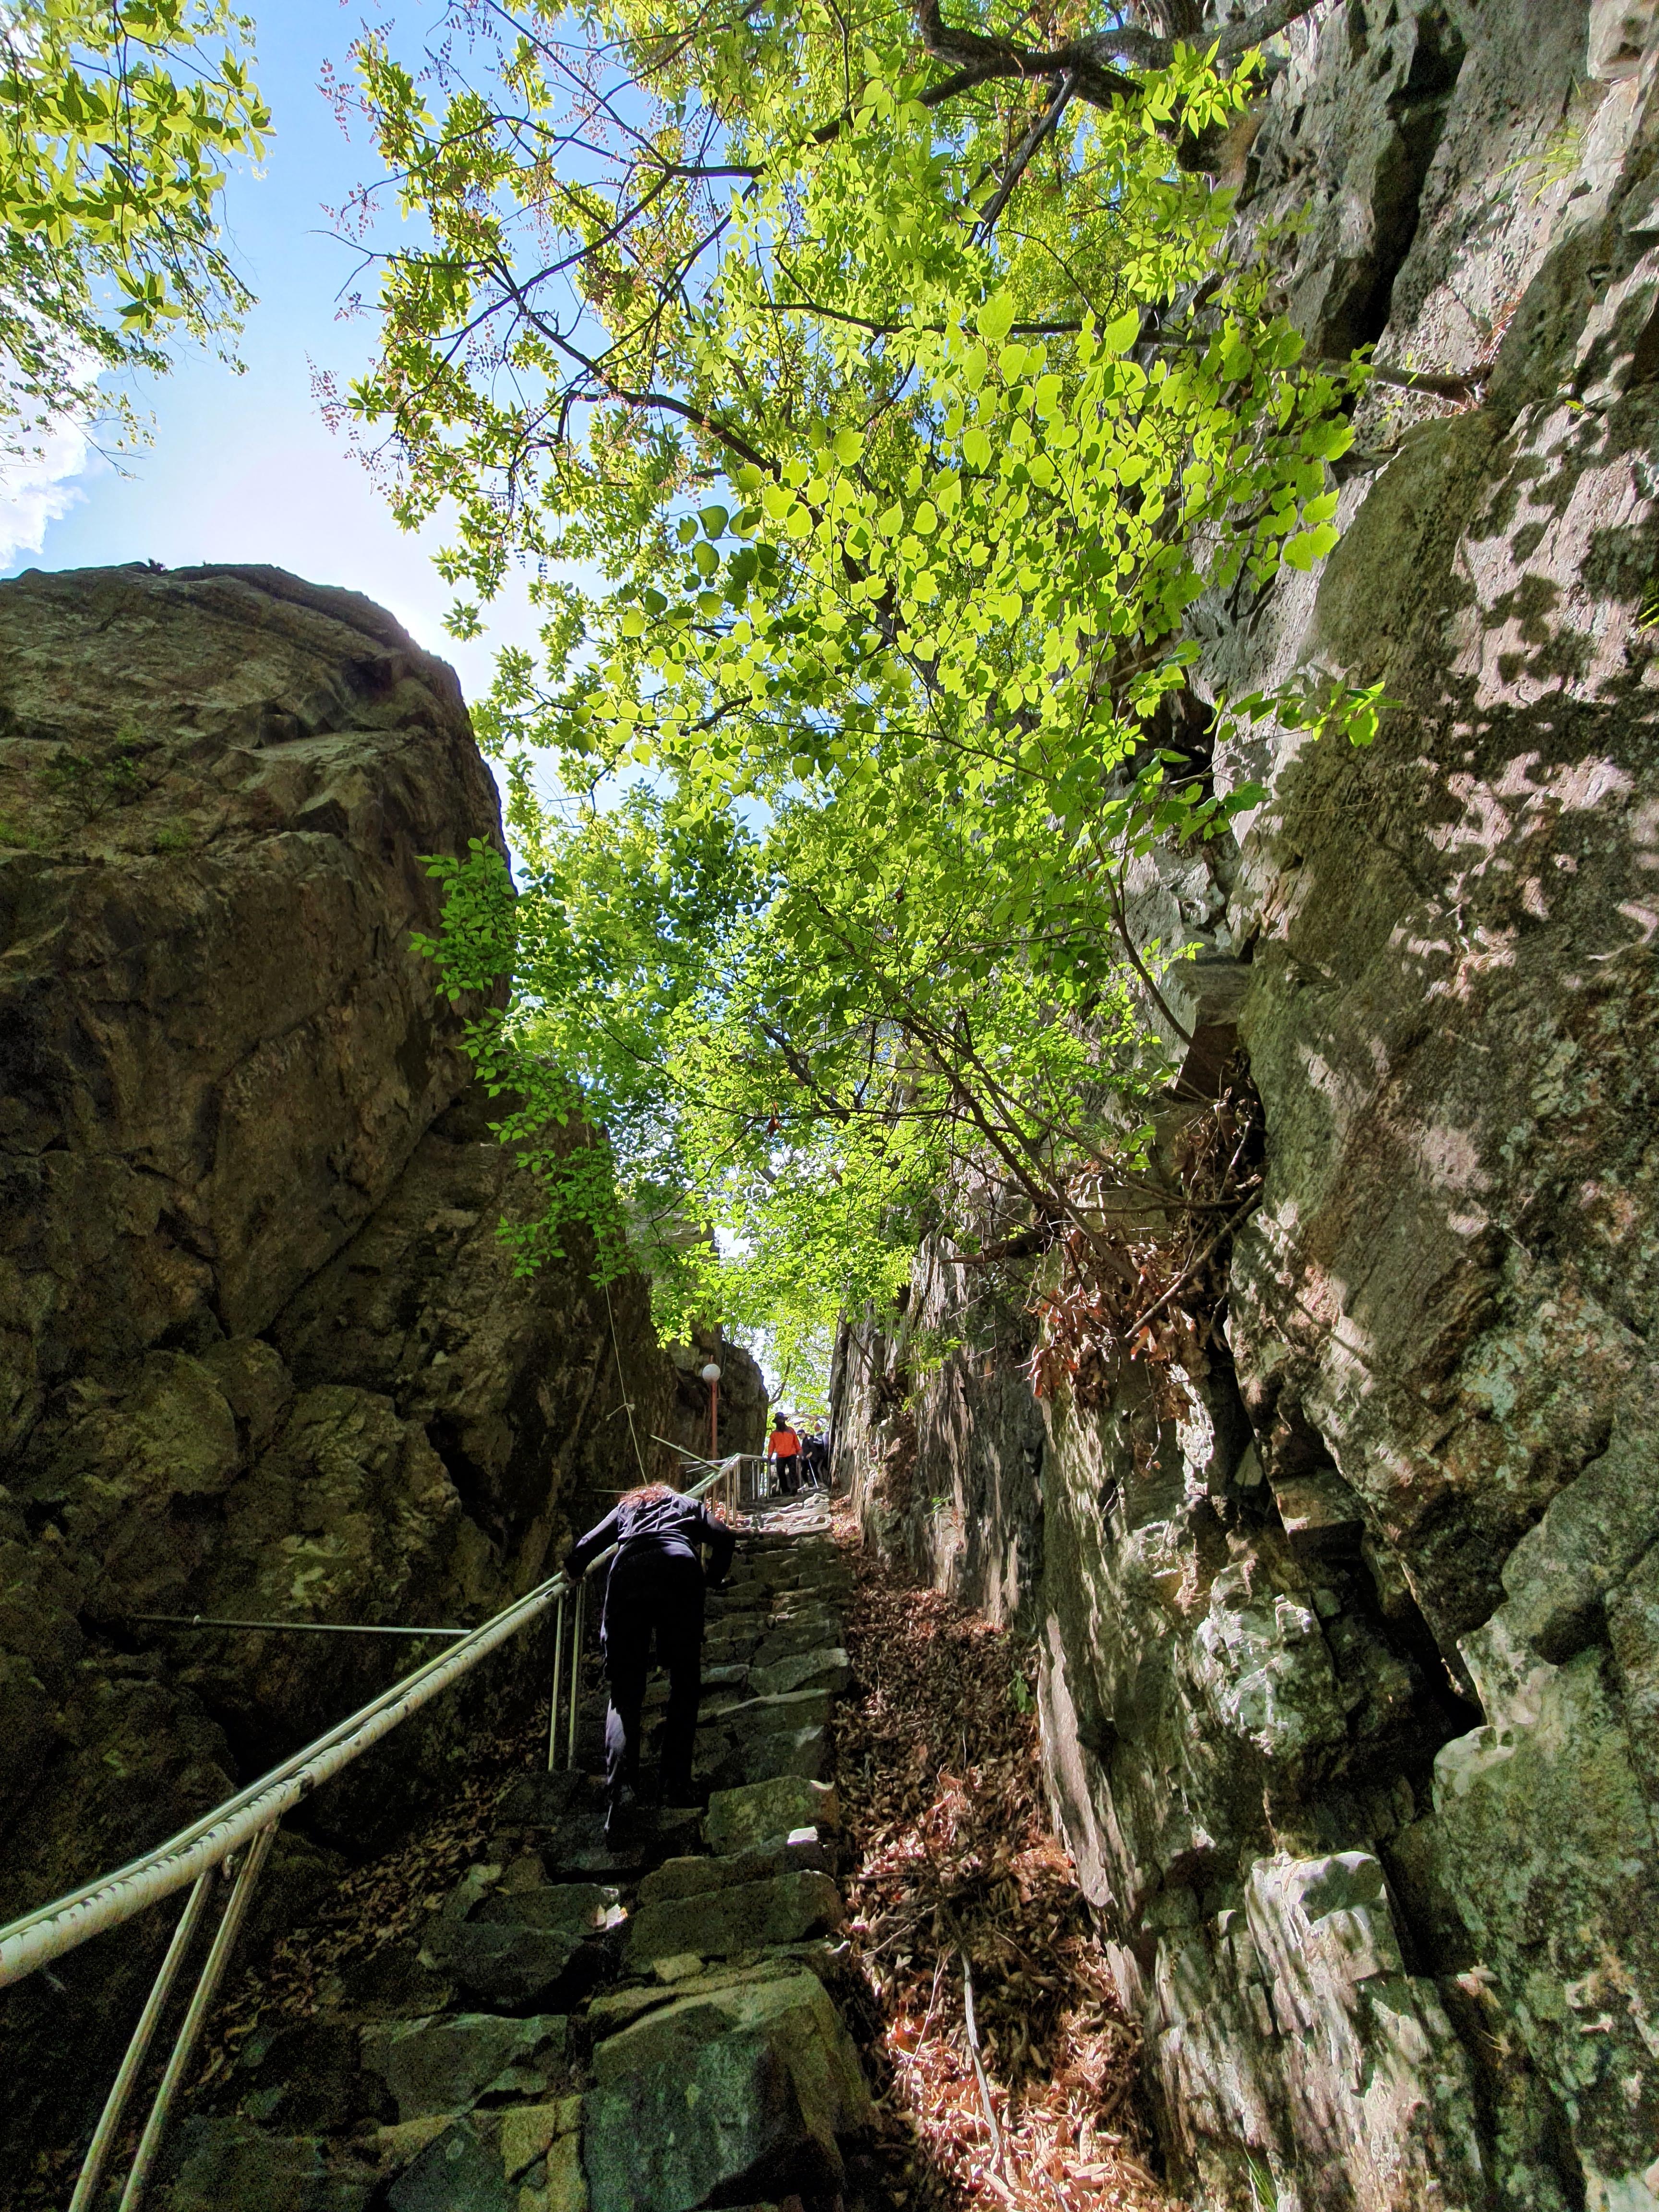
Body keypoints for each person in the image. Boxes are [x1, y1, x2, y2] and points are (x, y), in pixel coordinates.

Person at [566, 1480, 736, 1841]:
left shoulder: (626, 1509)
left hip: (628, 1573)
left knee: (624, 1692)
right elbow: (724, 1537)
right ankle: (675, 1783)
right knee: (685, 1682)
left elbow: (586, 1546)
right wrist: (712, 1578)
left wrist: (574, 1570)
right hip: (680, 1569)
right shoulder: (686, 1504)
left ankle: (620, 1795)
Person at [767, 1412, 802, 1494]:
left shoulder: (791, 1430)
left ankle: (794, 1487)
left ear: (784, 1420)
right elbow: (771, 1446)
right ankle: (785, 1490)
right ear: (776, 1422)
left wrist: (799, 1450)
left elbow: (796, 1441)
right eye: (779, 1420)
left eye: (782, 1419)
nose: (781, 1421)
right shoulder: (774, 1434)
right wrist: (770, 1455)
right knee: (780, 1472)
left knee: (793, 1471)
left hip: (791, 1454)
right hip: (780, 1456)